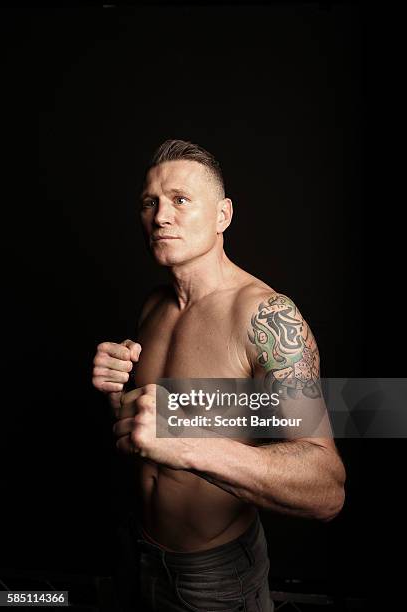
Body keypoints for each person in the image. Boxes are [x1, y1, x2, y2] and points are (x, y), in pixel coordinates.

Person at [92, 139, 346, 611]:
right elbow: (153, 434)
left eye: (180, 200)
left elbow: (326, 488)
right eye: (151, 202)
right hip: (135, 549)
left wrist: (184, 444)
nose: (160, 216)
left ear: (223, 215)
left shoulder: (268, 318)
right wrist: (117, 398)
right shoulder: (154, 305)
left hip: (213, 576)